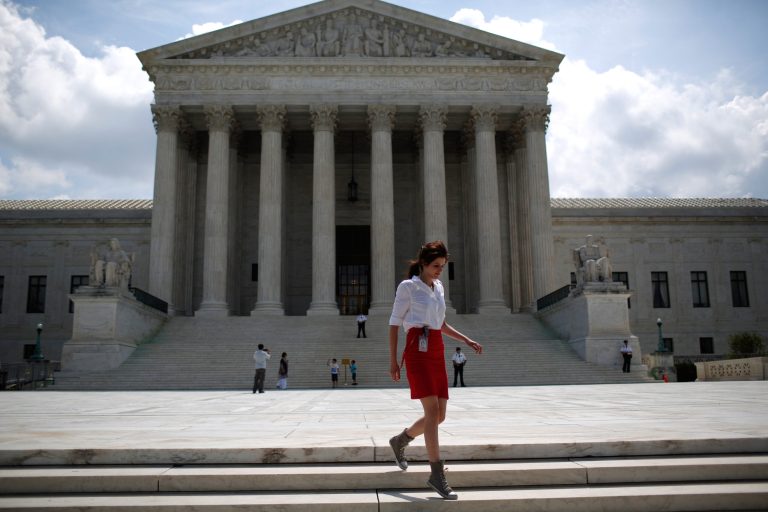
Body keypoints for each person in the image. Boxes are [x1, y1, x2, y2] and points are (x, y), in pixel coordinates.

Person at [388, 240, 483, 500]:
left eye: (442, 266)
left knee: (439, 415)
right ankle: (436, 474)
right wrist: (394, 360)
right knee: (431, 412)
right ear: (423, 264)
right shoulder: (408, 287)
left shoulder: (438, 287)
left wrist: (465, 339)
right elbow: (394, 324)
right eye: (436, 266)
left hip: (437, 348)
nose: (440, 270)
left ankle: (401, 440)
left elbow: (440, 323)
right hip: (416, 349)